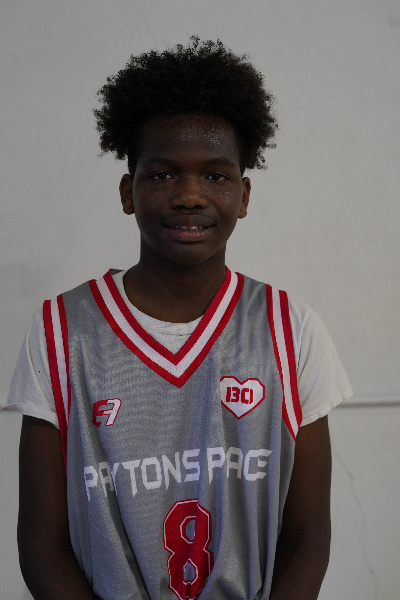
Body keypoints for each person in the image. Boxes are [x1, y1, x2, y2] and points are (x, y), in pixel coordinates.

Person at [3, 37, 353, 600]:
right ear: (128, 191)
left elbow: (308, 537)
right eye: (163, 175)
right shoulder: (61, 332)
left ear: (243, 195)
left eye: (215, 176)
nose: (190, 195)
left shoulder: (292, 330)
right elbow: (41, 544)